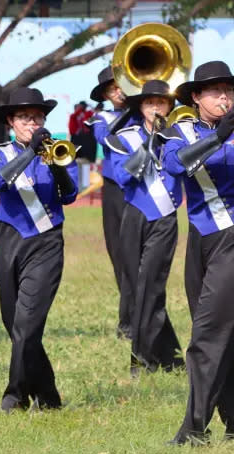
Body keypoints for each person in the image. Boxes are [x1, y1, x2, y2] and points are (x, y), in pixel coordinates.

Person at [161, 61, 234, 445]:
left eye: (228, 90)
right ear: (196, 97)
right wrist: (216, 137)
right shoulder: (180, 131)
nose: (224, 97)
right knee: (216, 331)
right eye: (214, 91)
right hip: (200, 240)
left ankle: (193, 429)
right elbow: (174, 165)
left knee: (207, 334)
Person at [0, 87, 78, 412]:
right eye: (24, 117)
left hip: (47, 243)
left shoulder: (59, 151)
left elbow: (70, 194)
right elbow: (0, 181)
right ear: (11, 122)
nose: (31, 123)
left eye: (36, 117)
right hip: (9, 241)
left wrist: (55, 163)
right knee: (15, 324)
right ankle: (48, 396)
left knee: (28, 324)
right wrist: (30, 152)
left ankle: (14, 395)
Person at [105, 80, 183, 376]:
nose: (155, 108)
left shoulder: (178, 137)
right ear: (140, 106)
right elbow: (124, 178)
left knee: (151, 285)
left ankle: (141, 360)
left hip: (164, 219)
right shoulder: (123, 138)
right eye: (149, 103)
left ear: (169, 106)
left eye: (161, 103)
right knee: (138, 288)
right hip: (133, 215)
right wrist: (150, 143)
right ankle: (172, 356)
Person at [86, 66, 136, 339]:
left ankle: (133, 319)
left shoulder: (144, 113)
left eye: (123, 85)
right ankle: (128, 318)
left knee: (139, 257)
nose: (119, 91)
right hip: (115, 190)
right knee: (119, 255)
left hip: (141, 188)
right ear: (105, 94)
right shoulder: (101, 117)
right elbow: (105, 137)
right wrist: (131, 109)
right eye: (112, 88)